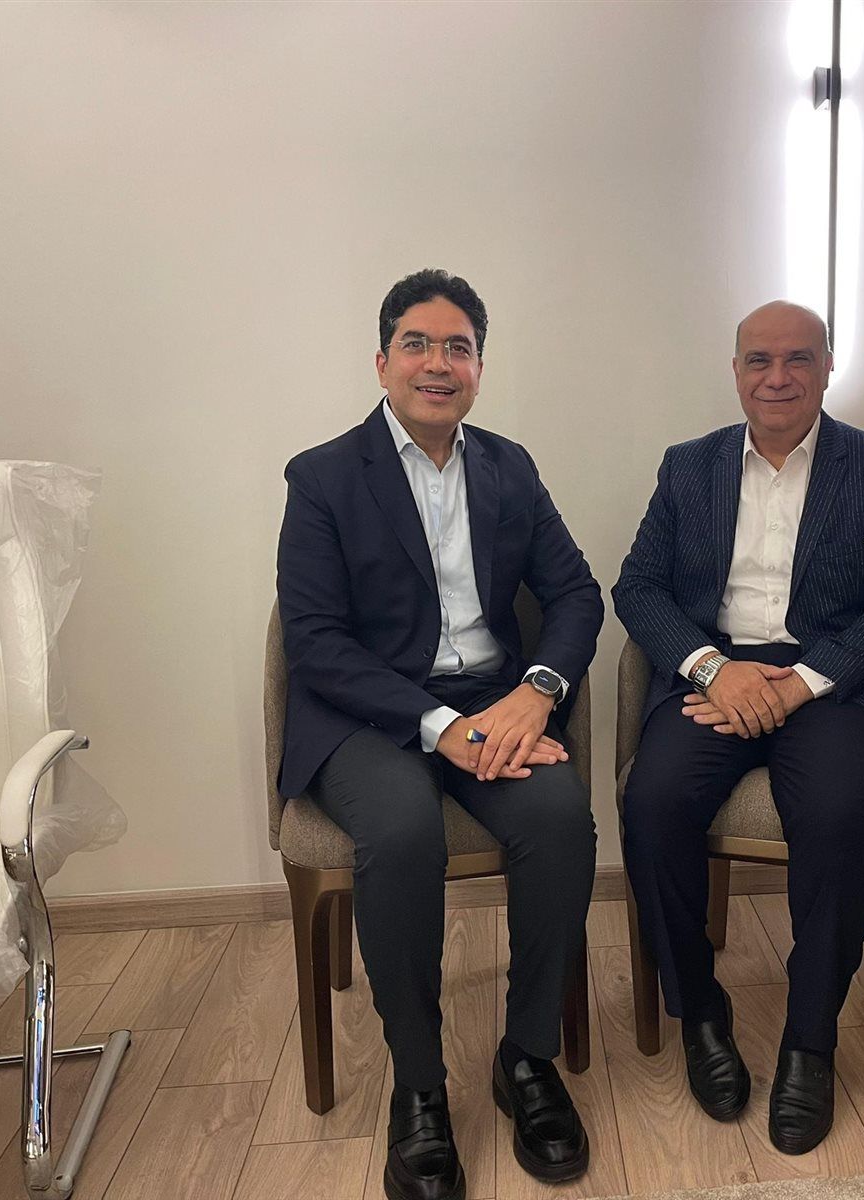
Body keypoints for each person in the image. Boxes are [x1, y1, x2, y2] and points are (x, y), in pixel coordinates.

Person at [277, 269, 601, 1200]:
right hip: (367, 715)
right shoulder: (323, 476)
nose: (438, 362)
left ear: (479, 369)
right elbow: (315, 641)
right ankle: (419, 1085)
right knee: (403, 831)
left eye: (458, 347)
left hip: (495, 701)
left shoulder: (510, 466)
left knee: (560, 821)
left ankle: (526, 1057)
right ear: (382, 363)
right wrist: (437, 726)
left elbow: (577, 593)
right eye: (417, 343)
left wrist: (537, 691)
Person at [613, 300, 864, 1154]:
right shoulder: (688, 468)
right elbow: (638, 587)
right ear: (735, 373)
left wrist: (801, 682)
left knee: (834, 815)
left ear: (827, 368)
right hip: (716, 676)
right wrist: (711, 667)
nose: (778, 377)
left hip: (829, 681)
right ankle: (700, 1013)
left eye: (798, 359)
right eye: (759, 360)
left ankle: (810, 1038)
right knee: (652, 803)